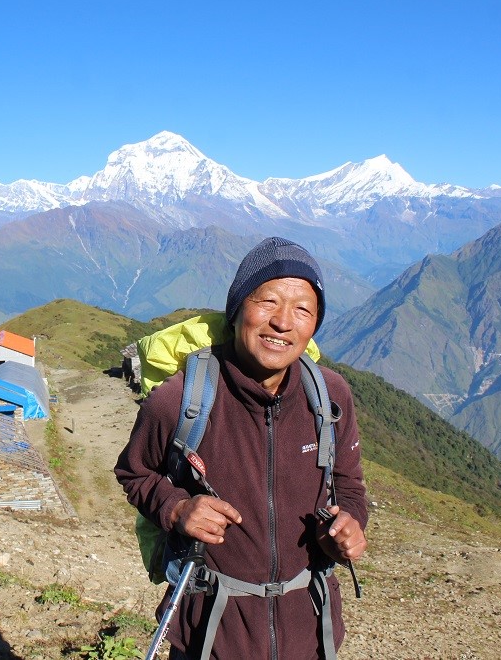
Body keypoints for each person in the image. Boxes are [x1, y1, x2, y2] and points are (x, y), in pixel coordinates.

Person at [115, 237, 368, 659]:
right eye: (267, 301)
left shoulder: (330, 397)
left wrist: (352, 524)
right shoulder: (181, 400)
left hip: (308, 628)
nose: (283, 322)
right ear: (237, 311)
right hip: (210, 632)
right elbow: (134, 473)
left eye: (303, 309)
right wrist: (177, 509)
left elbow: (349, 485)